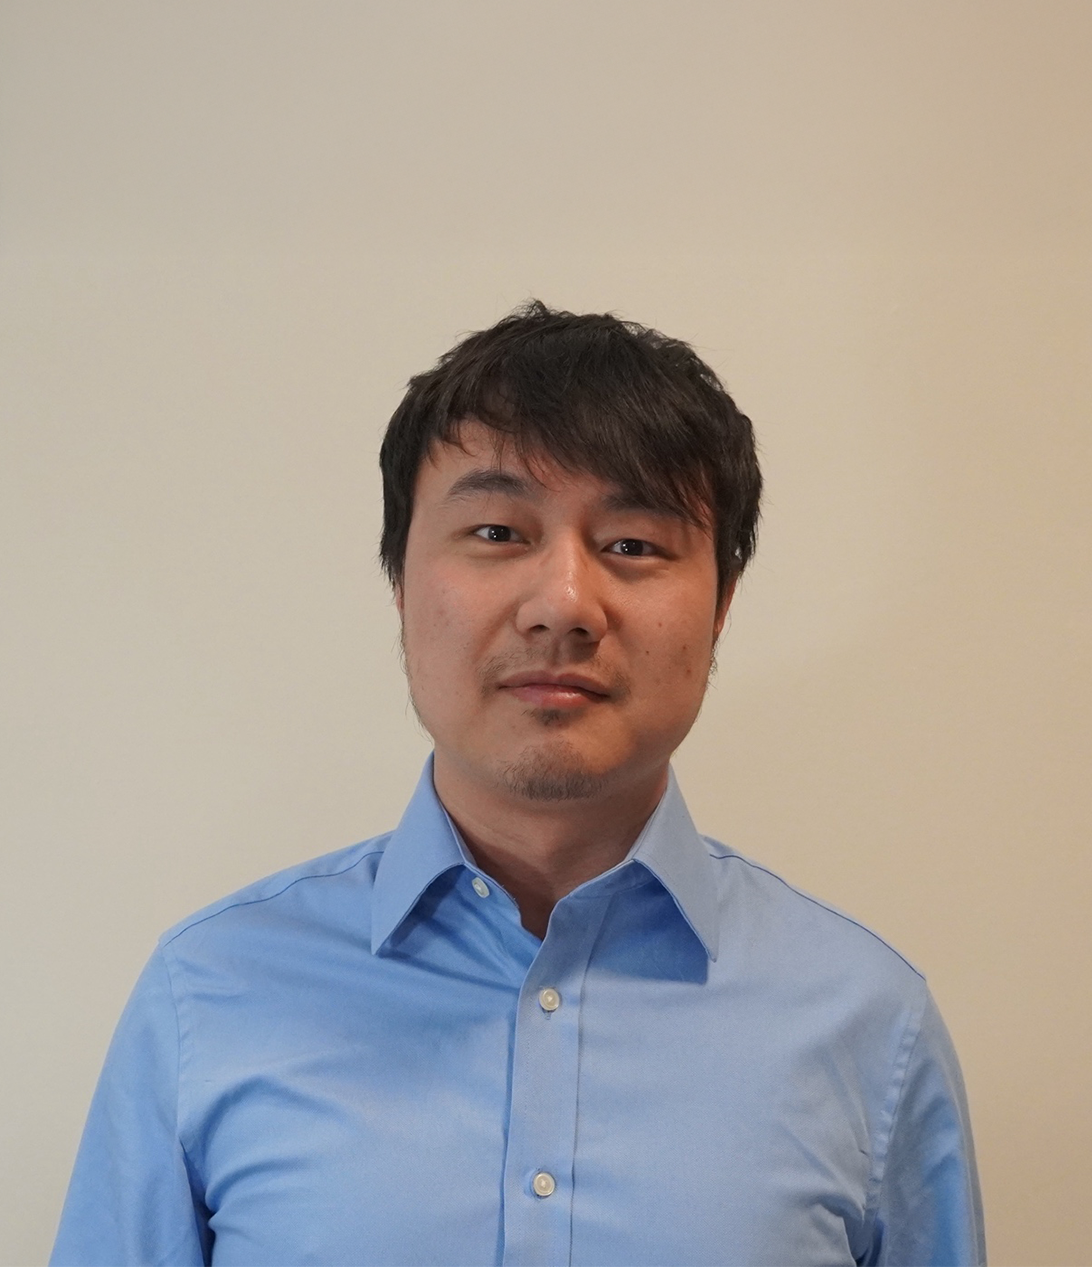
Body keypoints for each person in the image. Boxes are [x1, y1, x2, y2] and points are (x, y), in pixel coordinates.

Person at [51, 302, 985, 1267]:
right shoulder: (208, 996)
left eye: (633, 544)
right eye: (498, 530)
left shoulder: (870, 1024)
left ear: (721, 609)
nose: (563, 605)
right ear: (403, 585)